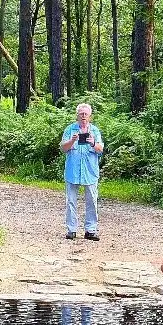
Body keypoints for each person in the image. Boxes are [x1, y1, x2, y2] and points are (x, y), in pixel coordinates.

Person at [59, 103, 104, 240]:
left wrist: (92, 143)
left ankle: (90, 230)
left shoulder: (95, 131)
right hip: (73, 171)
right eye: (81, 113)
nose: (83, 116)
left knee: (91, 201)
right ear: (77, 115)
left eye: (86, 114)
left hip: (90, 172)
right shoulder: (70, 130)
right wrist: (72, 141)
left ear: (90, 115)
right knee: (71, 201)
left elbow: (100, 149)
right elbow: (63, 148)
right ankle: (71, 230)